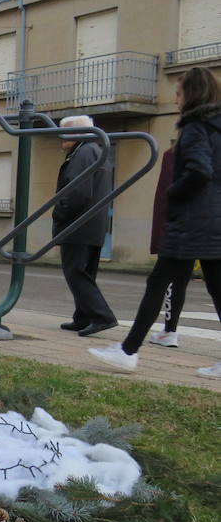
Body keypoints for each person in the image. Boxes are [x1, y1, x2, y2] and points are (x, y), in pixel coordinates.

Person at [89, 67, 221, 377]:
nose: (175, 99)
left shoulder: (195, 128)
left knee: (157, 284)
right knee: (216, 289)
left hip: (191, 223)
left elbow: (200, 171)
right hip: (214, 222)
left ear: (191, 94)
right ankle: (128, 349)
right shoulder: (217, 128)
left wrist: (174, 193)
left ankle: (127, 351)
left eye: (178, 93)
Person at [53, 115, 116, 337]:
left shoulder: (83, 153)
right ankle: (83, 317)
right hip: (94, 223)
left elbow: (77, 191)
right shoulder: (97, 151)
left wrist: (59, 212)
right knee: (85, 272)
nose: (61, 138)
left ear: (77, 134)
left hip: (79, 224)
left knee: (75, 271)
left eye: (64, 133)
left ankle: (102, 316)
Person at [147, 142, 190, 348]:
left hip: (182, 230)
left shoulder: (176, 154)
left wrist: (162, 236)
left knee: (161, 282)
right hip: (204, 230)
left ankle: (131, 347)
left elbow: (166, 198)